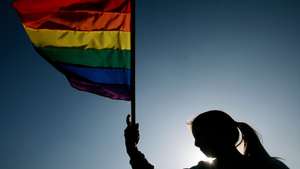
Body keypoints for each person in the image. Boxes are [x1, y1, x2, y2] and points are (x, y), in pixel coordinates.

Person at [124, 110, 289, 169]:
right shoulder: (271, 165)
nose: (195, 144)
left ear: (220, 132)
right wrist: (132, 148)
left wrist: (131, 148)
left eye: (199, 136)